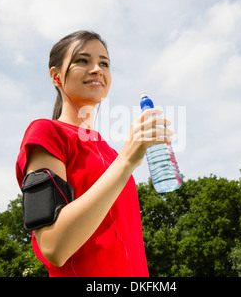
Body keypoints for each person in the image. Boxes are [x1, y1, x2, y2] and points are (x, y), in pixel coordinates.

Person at [15, 30, 173, 277]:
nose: (97, 69)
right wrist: (127, 161)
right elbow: (54, 247)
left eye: (104, 63)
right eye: (82, 60)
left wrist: (124, 161)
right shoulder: (46, 133)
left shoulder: (110, 153)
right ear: (56, 77)